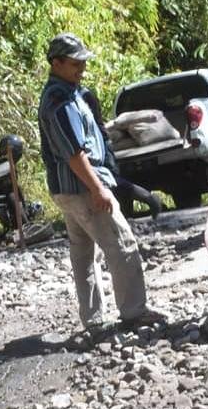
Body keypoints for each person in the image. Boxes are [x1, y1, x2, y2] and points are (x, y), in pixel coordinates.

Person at [38, 32, 165, 333]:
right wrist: (97, 188)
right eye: (74, 64)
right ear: (56, 63)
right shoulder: (60, 100)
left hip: (66, 188)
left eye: (83, 63)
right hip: (81, 185)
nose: (81, 69)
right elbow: (73, 152)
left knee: (84, 254)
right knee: (121, 243)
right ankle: (134, 311)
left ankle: (94, 320)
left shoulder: (69, 94)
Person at [80, 88, 162, 219]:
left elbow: (94, 126)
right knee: (113, 183)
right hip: (99, 145)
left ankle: (150, 199)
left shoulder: (82, 96)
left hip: (99, 146)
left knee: (112, 181)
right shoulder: (80, 95)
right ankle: (129, 213)